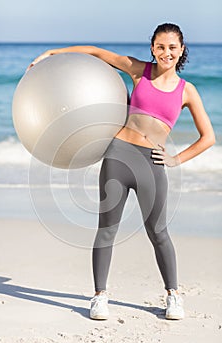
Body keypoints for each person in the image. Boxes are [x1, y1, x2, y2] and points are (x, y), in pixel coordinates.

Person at [28, 23, 215, 320]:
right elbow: (95, 53)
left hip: (151, 164)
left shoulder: (186, 91)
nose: (166, 52)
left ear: (181, 50)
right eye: (161, 46)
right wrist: (54, 52)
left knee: (158, 232)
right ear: (152, 48)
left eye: (172, 47)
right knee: (107, 229)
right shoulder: (139, 71)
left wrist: (176, 159)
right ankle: (100, 296)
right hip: (118, 156)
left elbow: (208, 137)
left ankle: (173, 296)